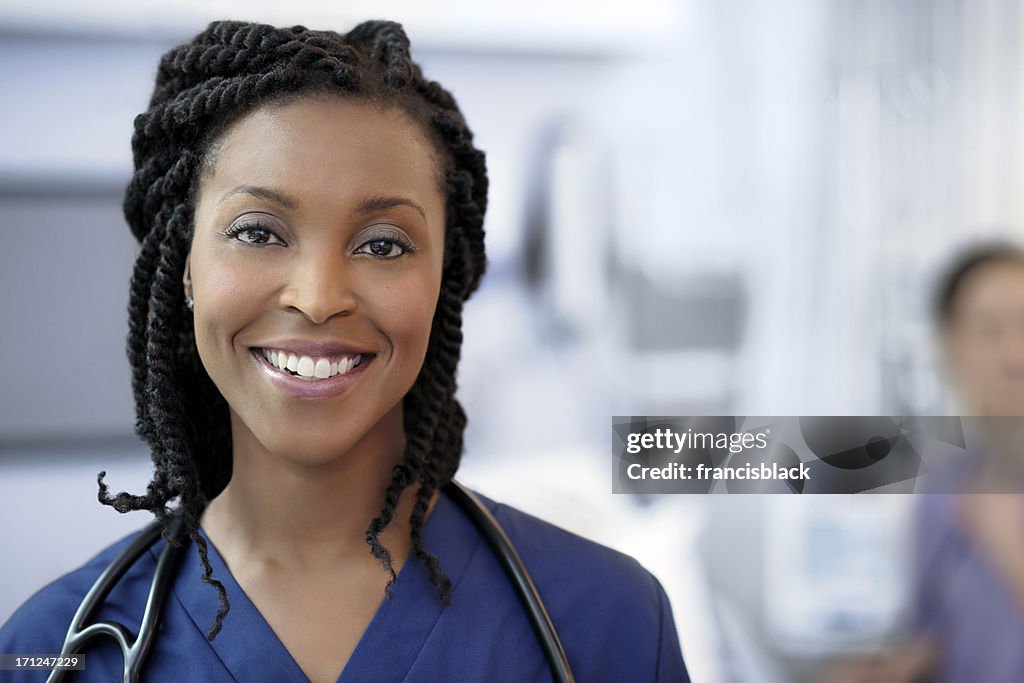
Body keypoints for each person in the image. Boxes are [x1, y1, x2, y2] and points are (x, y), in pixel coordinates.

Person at [0, 19, 689, 683]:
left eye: (383, 244)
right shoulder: (49, 649)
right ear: (184, 264)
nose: (319, 295)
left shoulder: (611, 624)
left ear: (443, 277)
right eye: (258, 232)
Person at [821, 240, 1024, 683]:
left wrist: (1007, 544)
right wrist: (896, 670)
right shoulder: (946, 481)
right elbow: (940, 634)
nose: (1014, 354)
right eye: (991, 331)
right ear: (951, 346)